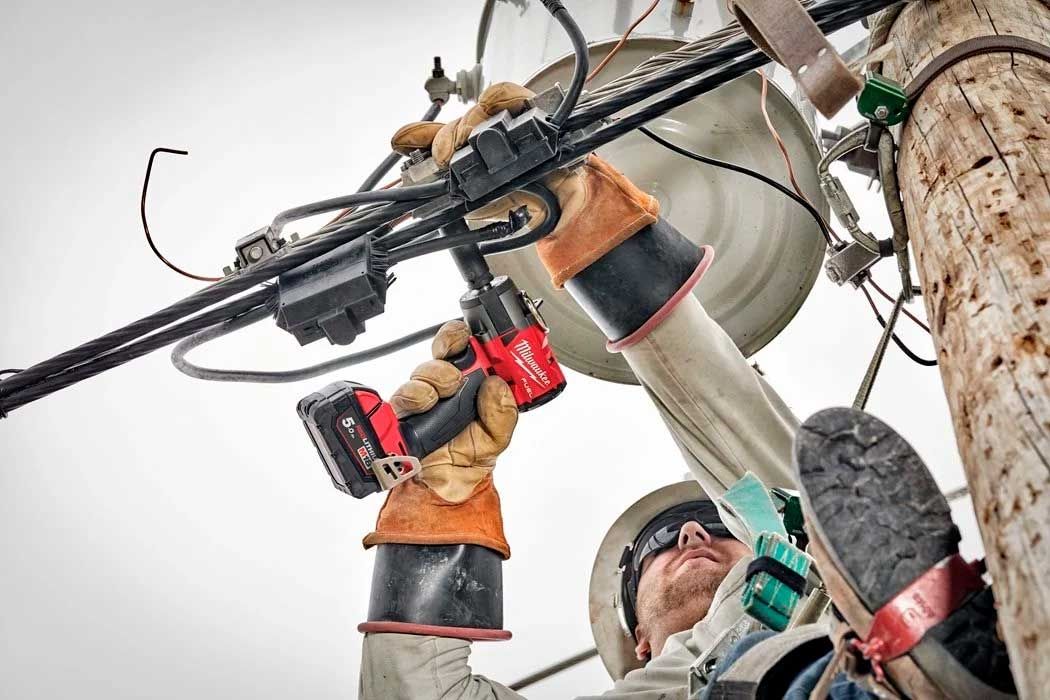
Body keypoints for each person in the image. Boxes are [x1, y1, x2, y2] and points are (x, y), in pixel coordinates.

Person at [356, 83, 1015, 699]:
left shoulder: (808, 570)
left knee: (803, 516)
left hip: (873, 654)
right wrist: (440, 502)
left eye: (721, 525)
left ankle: (931, 632)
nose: (694, 531)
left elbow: (729, 428)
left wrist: (581, 228)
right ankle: (932, 628)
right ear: (639, 643)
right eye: (661, 540)